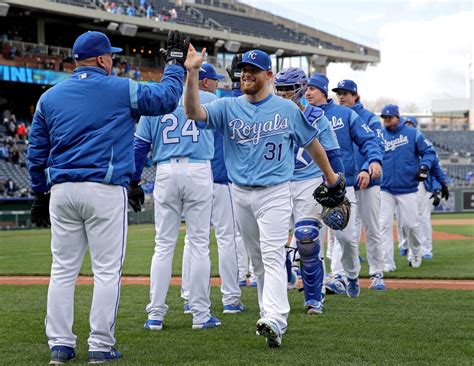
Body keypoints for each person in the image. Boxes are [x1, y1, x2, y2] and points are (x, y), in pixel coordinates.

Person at [28, 30, 187, 364]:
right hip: (103, 188)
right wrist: (174, 63)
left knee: (62, 270)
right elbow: (165, 99)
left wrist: (38, 192)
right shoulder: (119, 89)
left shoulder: (49, 97)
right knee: (105, 271)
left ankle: (60, 345)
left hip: (61, 191)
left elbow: (36, 150)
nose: (113, 61)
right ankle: (100, 344)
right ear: (101, 59)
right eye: (110, 56)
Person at [184, 47, 345, 348]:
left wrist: (332, 177)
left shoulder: (286, 110)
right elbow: (193, 113)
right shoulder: (228, 106)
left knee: (272, 254)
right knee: (257, 260)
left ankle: (276, 316)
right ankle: (269, 318)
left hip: (275, 192)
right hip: (240, 193)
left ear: (268, 75)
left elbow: (313, 145)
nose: (246, 74)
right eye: (243, 69)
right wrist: (192, 72)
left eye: (253, 70)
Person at [129, 63, 220, 330]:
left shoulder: (158, 99)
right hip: (199, 168)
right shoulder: (210, 98)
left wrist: (134, 180)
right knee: (200, 244)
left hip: (166, 170)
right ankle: (201, 315)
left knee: (163, 245)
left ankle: (155, 315)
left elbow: (139, 146)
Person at [305, 73, 382, 298]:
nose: (308, 92)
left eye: (313, 88)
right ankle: (321, 285)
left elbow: (369, 140)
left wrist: (374, 160)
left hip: (341, 185)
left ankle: (351, 274)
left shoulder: (345, 114)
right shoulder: (300, 115)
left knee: (346, 237)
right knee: (309, 236)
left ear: (323, 91)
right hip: (310, 185)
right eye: (306, 88)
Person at [273, 67, 343, 314]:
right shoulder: (270, 113)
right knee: (273, 245)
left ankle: (314, 298)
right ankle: (279, 293)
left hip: (309, 182)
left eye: (288, 89)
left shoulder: (317, 117)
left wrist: (336, 186)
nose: (282, 94)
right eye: (279, 89)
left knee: (306, 236)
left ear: (301, 88)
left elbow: (332, 153)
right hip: (276, 183)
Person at [180, 63, 245, 315]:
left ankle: (189, 296)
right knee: (226, 239)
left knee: (192, 241)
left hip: (195, 174)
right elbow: (242, 102)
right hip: (220, 179)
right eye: (214, 80)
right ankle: (230, 298)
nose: (218, 84)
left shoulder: (181, 101)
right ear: (204, 82)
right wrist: (239, 82)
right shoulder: (218, 102)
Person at [333, 79, 386, 290]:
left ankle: (377, 273)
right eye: (339, 93)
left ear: (356, 95)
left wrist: (366, 167)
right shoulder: (335, 116)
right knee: (342, 230)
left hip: (369, 182)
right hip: (345, 182)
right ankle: (339, 275)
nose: (342, 96)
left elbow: (376, 144)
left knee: (372, 228)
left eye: (346, 93)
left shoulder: (369, 118)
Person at [379, 105, 436, 270]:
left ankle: (416, 252)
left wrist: (424, 166)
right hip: (385, 188)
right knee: (384, 225)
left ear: (398, 117)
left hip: (408, 188)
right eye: (384, 117)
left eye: (389, 117)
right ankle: (387, 262)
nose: (387, 120)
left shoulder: (412, 134)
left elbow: (429, 152)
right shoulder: (380, 136)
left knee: (411, 224)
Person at [399, 117, 449, 260]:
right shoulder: (400, 145)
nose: (409, 127)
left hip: (423, 186)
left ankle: (426, 249)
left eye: (411, 124)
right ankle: (406, 245)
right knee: (405, 220)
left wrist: (437, 188)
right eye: (406, 124)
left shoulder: (425, 145)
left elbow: (435, 168)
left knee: (423, 219)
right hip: (405, 185)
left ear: (416, 127)